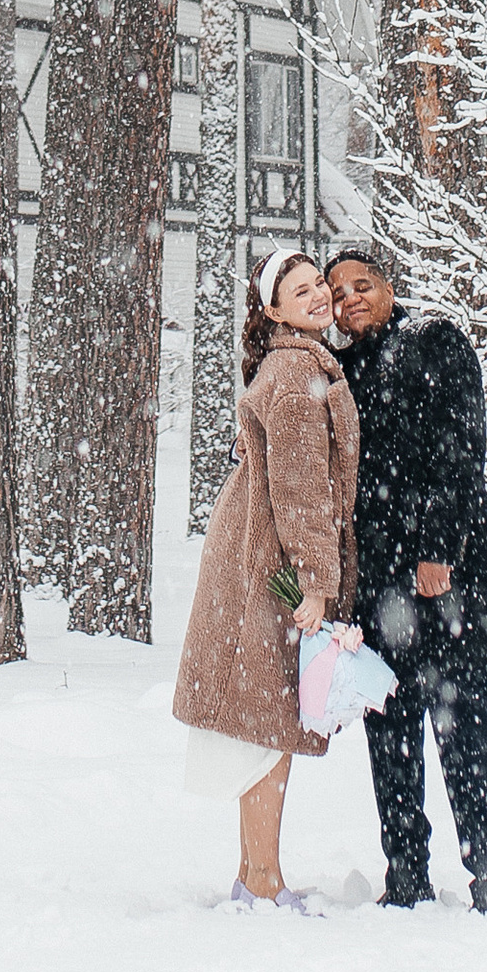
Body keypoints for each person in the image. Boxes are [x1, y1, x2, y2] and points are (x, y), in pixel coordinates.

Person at [326, 243, 487, 914]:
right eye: (337, 291)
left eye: (361, 284)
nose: (349, 297)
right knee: (391, 734)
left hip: (446, 576)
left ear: (387, 286)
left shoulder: (434, 339)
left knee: (466, 733)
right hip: (376, 585)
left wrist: (439, 548)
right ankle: (404, 873)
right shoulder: (337, 370)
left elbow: (461, 447)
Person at [172, 245, 359, 914]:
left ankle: (259, 873)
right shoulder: (294, 375)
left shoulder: (300, 366)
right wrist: (315, 584)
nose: (316, 296)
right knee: (268, 727)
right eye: (299, 288)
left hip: (258, 557)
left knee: (268, 724)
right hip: (268, 567)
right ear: (273, 308)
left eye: (319, 286)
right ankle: (259, 882)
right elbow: (302, 490)